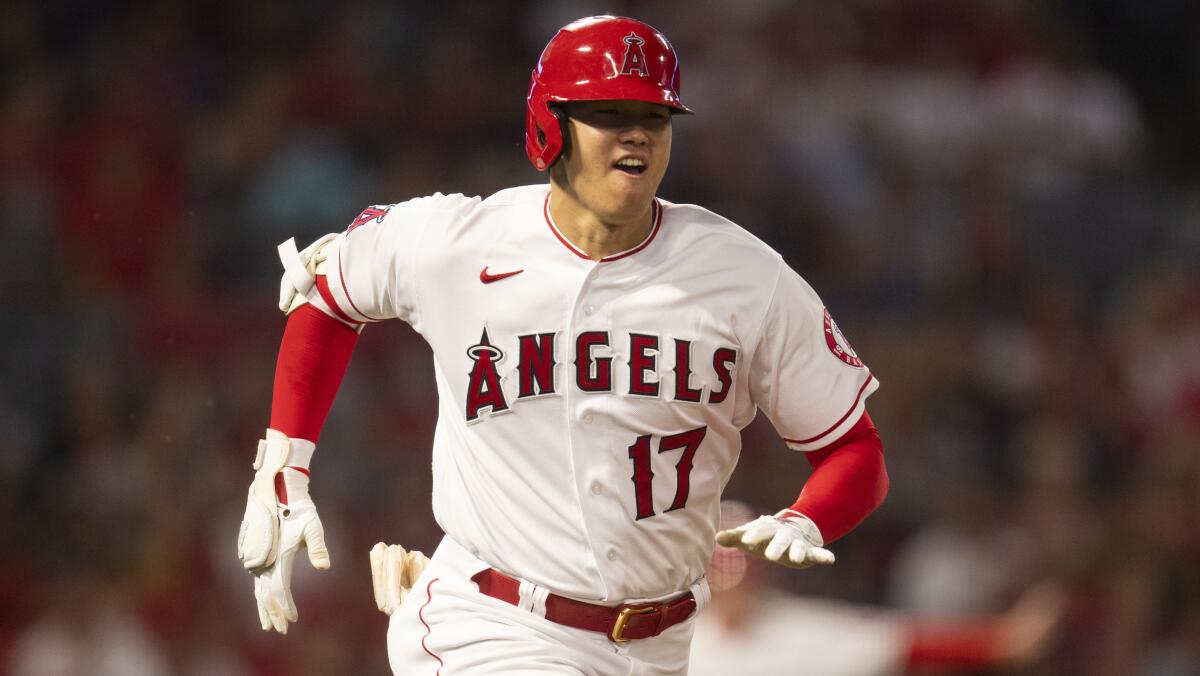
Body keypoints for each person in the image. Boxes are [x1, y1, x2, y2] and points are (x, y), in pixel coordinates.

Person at [236, 15, 889, 675]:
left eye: (654, 116)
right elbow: (328, 290)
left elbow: (854, 449)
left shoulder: (745, 277)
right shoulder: (459, 243)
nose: (636, 132)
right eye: (609, 112)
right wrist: (284, 464)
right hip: (495, 625)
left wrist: (807, 520)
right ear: (550, 126)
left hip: (663, 648)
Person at [687, 502, 1067, 676]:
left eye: (744, 571)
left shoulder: (795, 630)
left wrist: (998, 642)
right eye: (724, 573)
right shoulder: (677, 643)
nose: (733, 585)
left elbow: (898, 641)